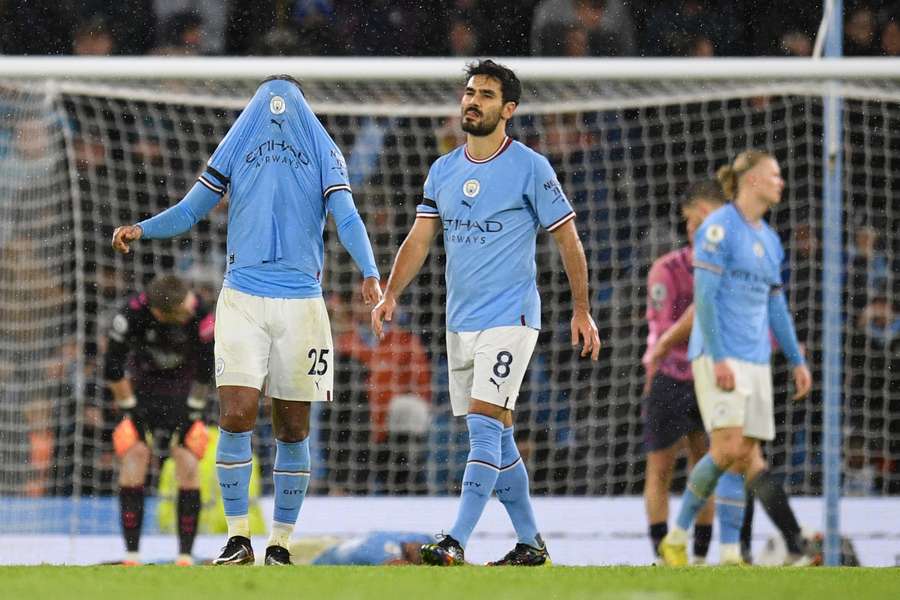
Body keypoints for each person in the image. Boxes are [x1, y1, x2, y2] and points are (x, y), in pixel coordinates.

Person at [111, 75, 381, 566]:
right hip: (241, 299)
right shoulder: (237, 145)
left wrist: (369, 270)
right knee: (235, 415)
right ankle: (238, 539)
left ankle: (279, 543)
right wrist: (142, 229)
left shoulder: (324, 150)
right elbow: (193, 209)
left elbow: (347, 216)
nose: (276, 108)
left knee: (293, 427)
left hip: (303, 305)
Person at [371, 59, 600, 567]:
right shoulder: (443, 169)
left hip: (512, 318)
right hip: (461, 322)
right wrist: (391, 293)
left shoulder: (531, 167)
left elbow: (568, 239)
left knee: (481, 424)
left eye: (486, 95)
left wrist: (581, 310)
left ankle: (455, 538)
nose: (472, 101)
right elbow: (420, 238)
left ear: (508, 109)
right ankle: (530, 543)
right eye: (470, 92)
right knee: (500, 434)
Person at [658, 150, 813, 566]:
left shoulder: (768, 238)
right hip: (718, 355)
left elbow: (776, 306)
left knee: (742, 454)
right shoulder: (717, 229)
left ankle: (729, 551)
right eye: (774, 174)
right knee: (727, 448)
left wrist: (797, 360)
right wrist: (721, 357)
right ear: (752, 180)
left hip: (757, 359)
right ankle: (676, 534)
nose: (781, 181)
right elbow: (704, 300)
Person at [103, 274, 215, 566]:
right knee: (134, 458)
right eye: (181, 307)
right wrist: (130, 410)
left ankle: (185, 558)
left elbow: (208, 370)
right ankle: (131, 557)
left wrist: (193, 412)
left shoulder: (201, 314)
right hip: (141, 397)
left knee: (188, 463)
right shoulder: (131, 315)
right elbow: (112, 368)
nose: (189, 306)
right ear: (159, 313)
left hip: (187, 396)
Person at [642, 181, 724, 564]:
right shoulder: (667, 269)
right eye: (690, 221)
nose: (694, 227)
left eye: (701, 220)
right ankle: (663, 553)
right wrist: (657, 355)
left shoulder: (727, 266)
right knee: (660, 465)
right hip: (672, 376)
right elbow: (662, 328)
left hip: (712, 374)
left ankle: (702, 554)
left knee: (706, 463)